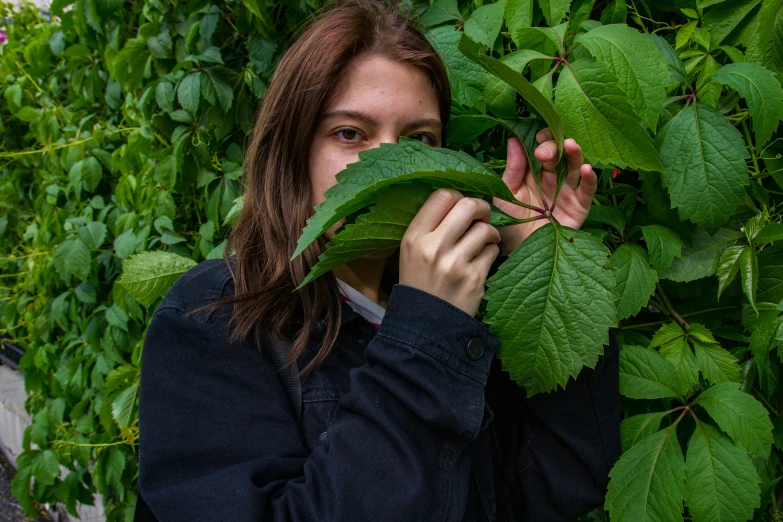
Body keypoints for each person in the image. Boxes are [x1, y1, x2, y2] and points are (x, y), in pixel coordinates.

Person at [134, 0, 620, 520]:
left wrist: (541, 269)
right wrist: (427, 333)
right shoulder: (215, 319)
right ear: (292, 150)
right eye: (350, 133)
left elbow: (561, 486)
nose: (391, 167)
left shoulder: (473, 306)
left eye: (419, 140)